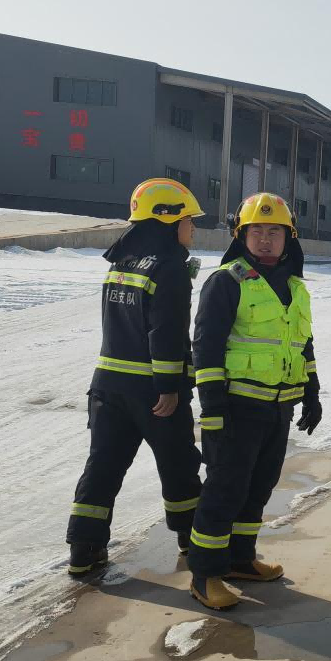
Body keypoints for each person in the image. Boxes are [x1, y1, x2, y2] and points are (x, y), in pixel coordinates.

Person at [187, 193, 322, 610]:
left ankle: (241, 559)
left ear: (289, 238)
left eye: (274, 232)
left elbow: (301, 344)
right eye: (257, 231)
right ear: (241, 236)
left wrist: (312, 393)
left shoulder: (295, 287)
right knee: (225, 490)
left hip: (278, 407)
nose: (265, 239)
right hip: (236, 407)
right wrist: (213, 409)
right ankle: (204, 573)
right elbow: (206, 348)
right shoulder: (227, 281)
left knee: (260, 485)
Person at [67, 178, 204, 576]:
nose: (193, 228)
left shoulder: (122, 262)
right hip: (152, 391)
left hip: (108, 387)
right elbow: (165, 332)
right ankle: (192, 539)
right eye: (189, 220)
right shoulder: (169, 267)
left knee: (103, 466)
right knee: (179, 464)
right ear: (167, 220)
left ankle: (84, 549)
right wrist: (170, 387)